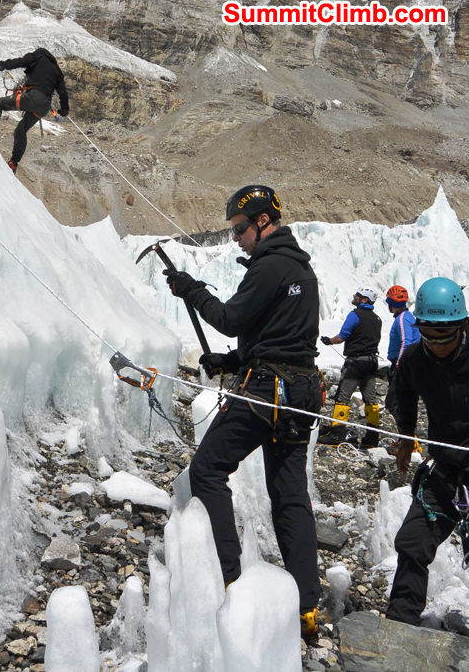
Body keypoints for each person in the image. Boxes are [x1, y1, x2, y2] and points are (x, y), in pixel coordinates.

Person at [163, 185, 323, 638]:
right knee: (290, 495)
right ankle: (304, 606)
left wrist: (190, 290)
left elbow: (230, 319)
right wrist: (230, 362)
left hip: (267, 394)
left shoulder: (269, 266)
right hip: (302, 390)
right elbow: (285, 340)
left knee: (208, 470)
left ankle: (229, 576)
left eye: (238, 229)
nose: (235, 238)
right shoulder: (300, 268)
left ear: (262, 222)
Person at [386, 277, 469, 666]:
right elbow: (401, 393)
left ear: (462, 325)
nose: (436, 345)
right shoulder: (416, 360)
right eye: (428, 336)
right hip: (446, 472)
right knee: (412, 544)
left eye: (445, 336)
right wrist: (406, 437)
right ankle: (398, 633)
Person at [0, 48, 69, 174]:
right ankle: (13, 163)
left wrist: (5, 65)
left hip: (33, 97)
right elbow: (63, 92)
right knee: (20, 130)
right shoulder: (58, 72)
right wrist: (64, 109)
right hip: (44, 107)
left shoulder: (38, 56)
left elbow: (21, 61)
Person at [319, 286, 382, 448]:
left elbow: (342, 337)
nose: (354, 296)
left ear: (364, 300)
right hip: (372, 361)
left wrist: (329, 341)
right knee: (370, 399)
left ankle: (337, 434)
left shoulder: (354, 315)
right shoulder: (377, 319)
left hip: (355, 362)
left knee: (343, 396)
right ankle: (372, 437)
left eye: (358, 295)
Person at [384, 285, 420, 429]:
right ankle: (407, 438)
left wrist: (399, 365)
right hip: (410, 364)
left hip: (402, 365)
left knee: (393, 402)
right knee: (405, 402)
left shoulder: (402, 319)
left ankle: (408, 437)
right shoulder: (409, 317)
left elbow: (406, 341)